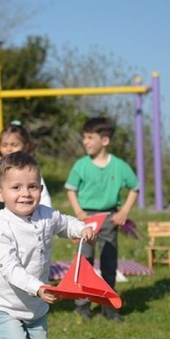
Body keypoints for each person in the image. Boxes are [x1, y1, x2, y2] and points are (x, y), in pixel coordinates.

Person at [0, 151, 95, 339]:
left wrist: (82, 229)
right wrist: (39, 287)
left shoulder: (45, 214)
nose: (25, 193)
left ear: (40, 190)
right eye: (16, 187)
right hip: (4, 304)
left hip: (35, 308)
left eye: (32, 186)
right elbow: (11, 269)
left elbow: (65, 224)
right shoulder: (1, 226)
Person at [64, 117, 139, 323]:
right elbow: (71, 190)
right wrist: (79, 212)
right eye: (84, 138)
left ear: (105, 141)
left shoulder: (120, 166)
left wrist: (123, 211)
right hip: (86, 220)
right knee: (84, 261)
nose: (85, 142)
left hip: (109, 219)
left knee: (109, 262)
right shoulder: (81, 165)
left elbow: (135, 187)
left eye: (90, 138)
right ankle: (82, 304)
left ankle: (108, 306)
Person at [0, 122, 52, 216]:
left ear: (26, 146)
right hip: (1, 214)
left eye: (14, 145)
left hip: (27, 214)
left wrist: (47, 214)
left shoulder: (30, 168)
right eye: (4, 145)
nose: (9, 149)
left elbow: (42, 192)